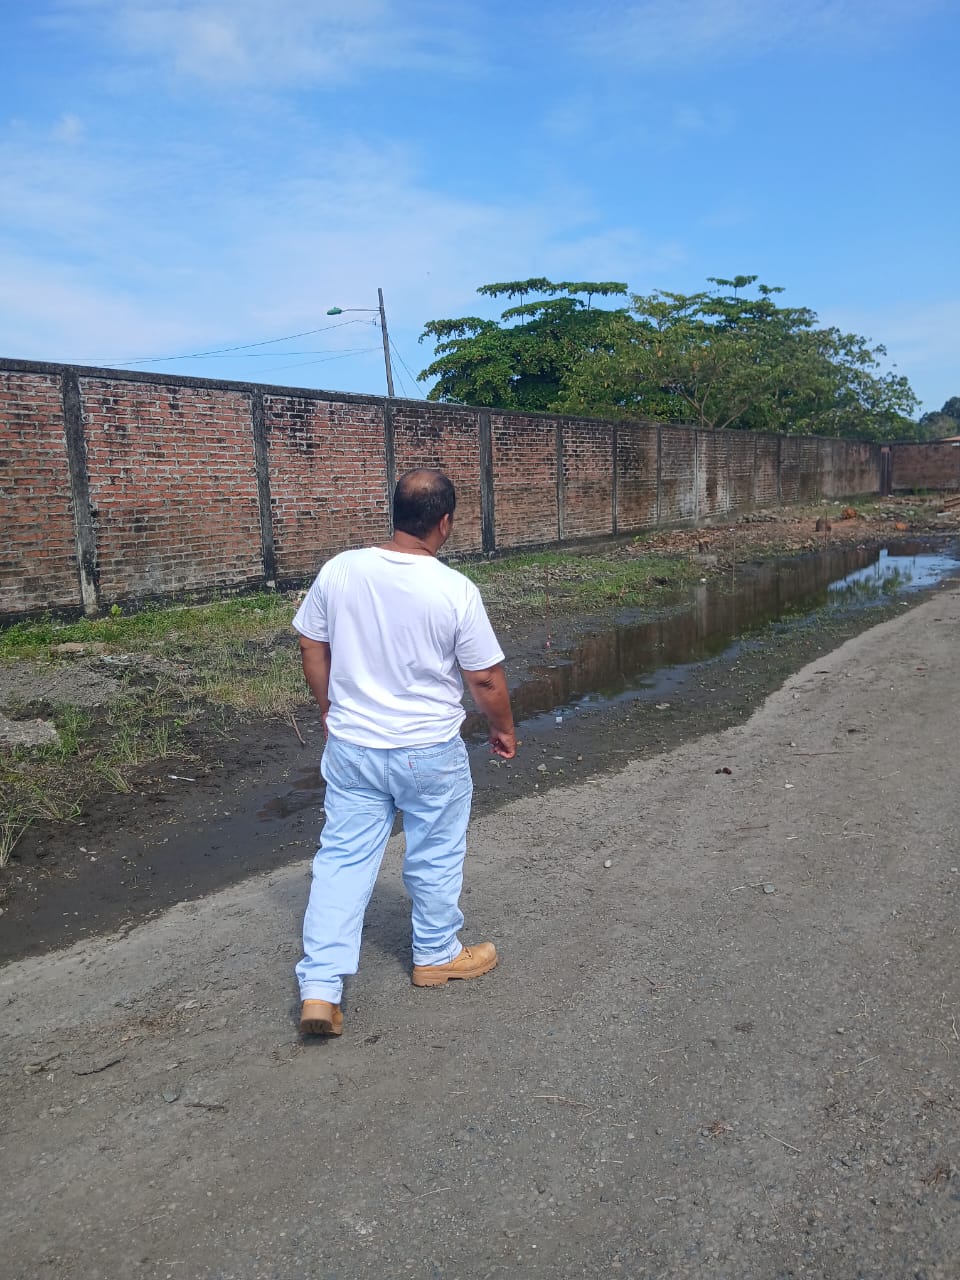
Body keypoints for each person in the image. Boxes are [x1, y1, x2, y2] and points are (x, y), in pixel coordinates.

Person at [291, 468, 516, 1036]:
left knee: (342, 860)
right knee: (434, 852)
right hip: (427, 751)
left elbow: (312, 643)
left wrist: (328, 707)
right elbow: (484, 678)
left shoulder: (341, 570)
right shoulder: (454, 589)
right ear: (445, 522)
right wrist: (503, 729)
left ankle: (320, 988)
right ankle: (436, 954)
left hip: (353, 747)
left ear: (393, 513)